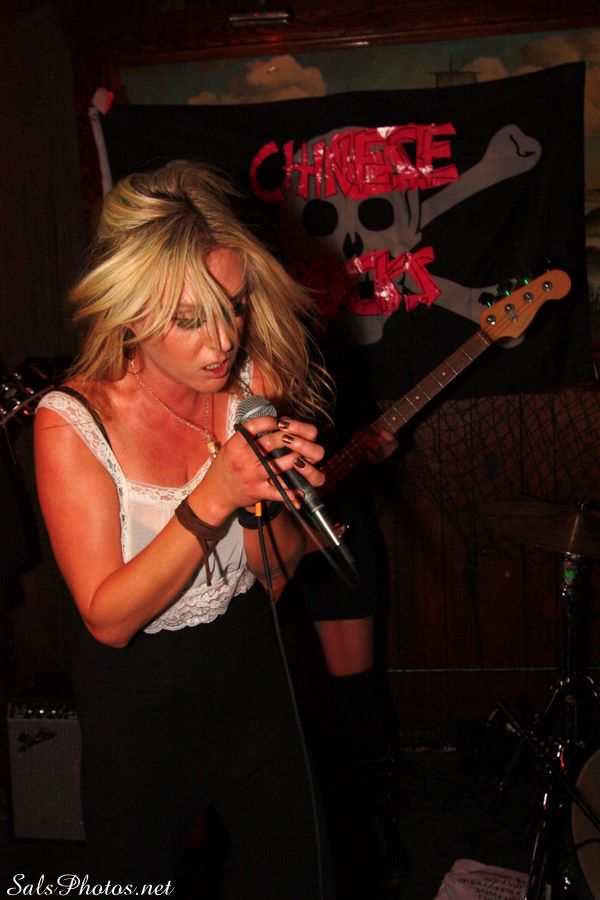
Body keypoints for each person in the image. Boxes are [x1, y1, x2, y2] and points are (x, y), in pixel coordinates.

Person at [34, 160, 337, 898]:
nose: (223, 341)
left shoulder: (253, 388)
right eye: (190, 318)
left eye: (234, 307)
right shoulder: (72, 421)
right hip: (139, 706)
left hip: (252, 673)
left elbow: (273, 576)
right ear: (131, 313)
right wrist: (215, 495)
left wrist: (280, 500)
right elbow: (107, 619)